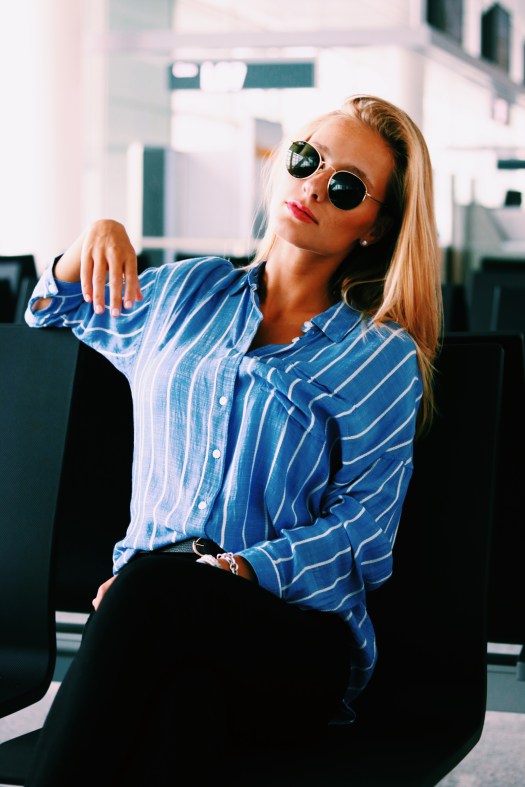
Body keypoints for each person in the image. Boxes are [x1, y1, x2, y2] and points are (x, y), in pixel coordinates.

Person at [24, 93, 442, 786]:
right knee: (182, 713)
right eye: (306, 159)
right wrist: (94, 237)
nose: (313, 185)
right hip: (154, 621)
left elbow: (364, 533)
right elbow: (52, 310)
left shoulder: (379, 357)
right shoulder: (183, 294)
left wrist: (235, 570)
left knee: (154, 594)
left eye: (345, 186)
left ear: (374, 228)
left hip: (287, 638)